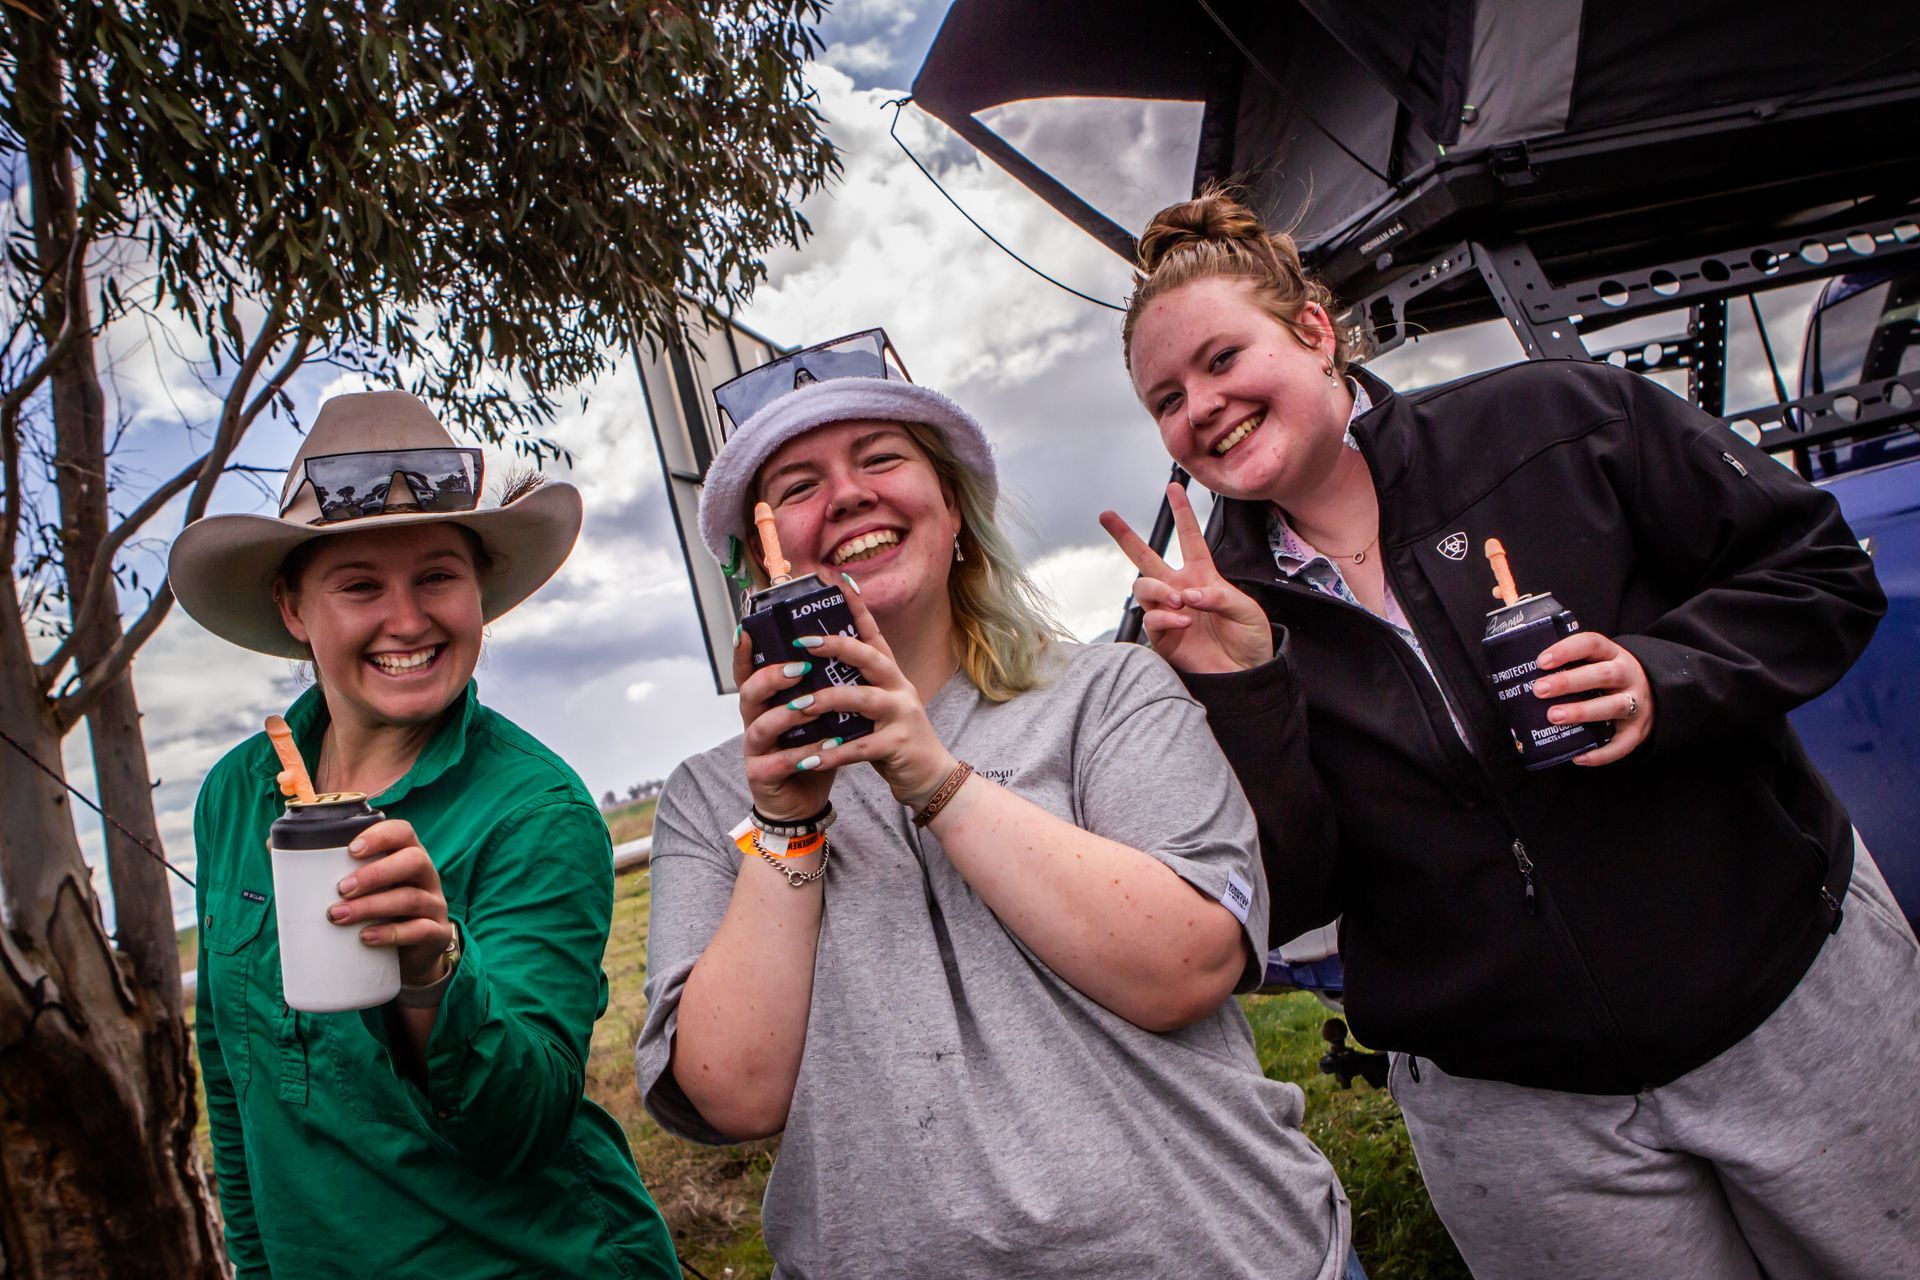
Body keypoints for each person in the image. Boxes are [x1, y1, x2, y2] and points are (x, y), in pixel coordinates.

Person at [1103, 189, 1920, 1279]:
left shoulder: (1555, 422)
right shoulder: (1204, 613)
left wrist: (1663, 678)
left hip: (1791, 1006)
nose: (1199, 405)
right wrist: (1247, 686)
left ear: (1309, 329)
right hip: (1520, 1119)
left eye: (1219, 359)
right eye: (1166, 396)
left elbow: (1819, 572)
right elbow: (1290, 894)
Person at [633, 329, 1358, 1279]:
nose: (847, 494)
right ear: (762, 562)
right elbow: (733, 1098)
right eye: (798, 486)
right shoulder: (708, 797)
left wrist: (929, 772)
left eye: (881, 458)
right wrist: (785, 824)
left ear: (955, 511)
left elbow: (1189, 967)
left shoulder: (1109, 693)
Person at [170, 391, 678, 1278]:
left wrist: (433, 971)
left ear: (479, 591)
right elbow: (234, 1076)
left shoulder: (536, 810)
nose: (407, 621)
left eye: (438, 576)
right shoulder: (234, 798)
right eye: (360, 585)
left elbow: (522, 1128)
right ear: (293, 608)